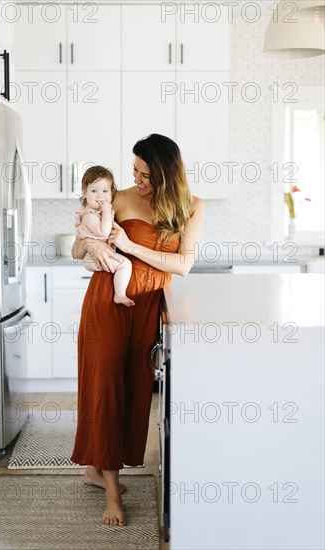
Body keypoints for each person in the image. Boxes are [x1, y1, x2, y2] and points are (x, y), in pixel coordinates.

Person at [71, 133, 204, 526]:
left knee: (132, 393)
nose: (136, 179)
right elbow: (80, 245)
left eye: (144, 173)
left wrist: (130, 244)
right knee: (105, 390)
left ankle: (97, 470)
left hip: (148, 308)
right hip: (107, 306)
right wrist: (88, 249)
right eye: (134, 171)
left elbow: (182, 266)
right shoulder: (120, 199)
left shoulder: (192, 207)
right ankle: (112, 494)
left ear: (166, 173)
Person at [75, 165, 135, 307]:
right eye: (94, 191)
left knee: (124, 265)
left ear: (111, 192)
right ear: (85, 192)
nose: (100, 195)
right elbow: (104, 232)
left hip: (98, 255)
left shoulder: (98, 212)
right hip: (93, 258)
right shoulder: (89, 215)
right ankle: (119, 295)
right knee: (125, 265)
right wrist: (107, 211)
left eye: (105, 191)